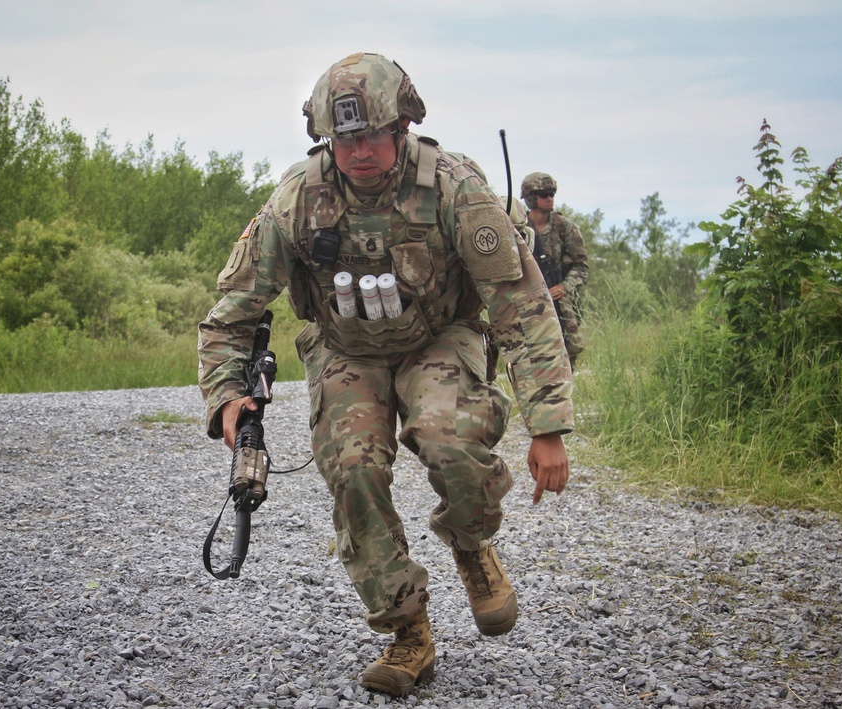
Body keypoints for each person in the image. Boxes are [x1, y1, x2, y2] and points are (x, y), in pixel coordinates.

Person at [198, 52, 574, 698]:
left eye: (373, 135)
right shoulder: (299, 198)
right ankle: (408, 631)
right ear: (326, 139)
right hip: (347, 348)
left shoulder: (453, 188)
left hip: (440, 336)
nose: (360, 151)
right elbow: (233, 308)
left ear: (402, 128)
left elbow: (521, 304)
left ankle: (470, 541)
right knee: (353, 469)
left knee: (448, 436)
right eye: (345, 139)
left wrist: (549, 424)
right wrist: (228, 393)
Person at [521, 172, 589, 371]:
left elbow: (581, 266)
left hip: (561, 305)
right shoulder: (518, 228)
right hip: (529, 303)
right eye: (544, 194)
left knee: (566, 360)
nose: (550, 198)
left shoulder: (565, 227)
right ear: (531, 197)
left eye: (552, 193)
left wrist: (564, 287)